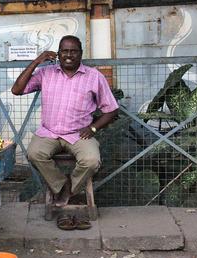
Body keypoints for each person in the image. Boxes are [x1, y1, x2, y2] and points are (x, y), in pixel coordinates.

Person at [11, 35, 118, 229]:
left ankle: (69, 189)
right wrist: (36, 61)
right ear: (58, 54)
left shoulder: (94, 77)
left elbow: (111, 109)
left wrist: (93, 127)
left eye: (73, 51)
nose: (69, 55)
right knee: (34, 153)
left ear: (80, 54)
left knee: (92, 160)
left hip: (79, 134)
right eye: (64, 51)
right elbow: (17, 90)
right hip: (49, 133)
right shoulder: (46, 73)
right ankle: (63, 186)